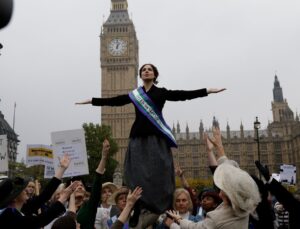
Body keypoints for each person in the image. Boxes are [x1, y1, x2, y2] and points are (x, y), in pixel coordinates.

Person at [76, 63, 226, 227]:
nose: (146, 71)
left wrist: (207, 91)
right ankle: (138, 206)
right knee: (135, 174)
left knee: (161, 172)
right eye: (144, 70)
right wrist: (92, 101)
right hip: (137, 139)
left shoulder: (161, 92)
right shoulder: (135, 94)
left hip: (157, 139)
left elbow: (183, 95)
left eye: (150, 69)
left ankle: (163, 206)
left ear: (155, 75)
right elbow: (115, 101)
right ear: (140, 75)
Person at [0, 176, 80, 228]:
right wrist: (64, 197)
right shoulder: (9, 216)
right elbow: (40, 220)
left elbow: (43, 197)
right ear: (14, 198)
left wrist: (61, 169)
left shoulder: (20, 210)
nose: (26, 190)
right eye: (21, 189)